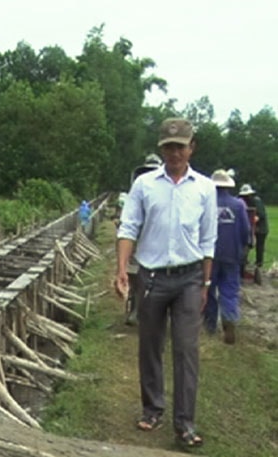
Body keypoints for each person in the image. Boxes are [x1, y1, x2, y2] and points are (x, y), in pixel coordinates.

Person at [115, 118, 217, 448]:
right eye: (168, 147)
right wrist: (120, 269)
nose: (174, 152)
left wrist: (205, 282)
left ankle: (185, 423)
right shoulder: (145, 185)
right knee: (150, 345)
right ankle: (152, 408)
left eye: (180, 146)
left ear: (192, 147)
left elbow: (208, 239)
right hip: (152, 277)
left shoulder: (204, 188)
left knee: (187, 350)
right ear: (161, 149)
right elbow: (128, 228)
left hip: (188, 278)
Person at [204, 170, 250, 344]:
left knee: (209, 290)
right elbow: (245, 230)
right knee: (229, 290)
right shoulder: (238, 205)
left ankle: (209, 325)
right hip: (232, 254)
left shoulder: (206, 204)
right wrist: (243, 247)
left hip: (210, 255)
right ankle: (229, 320)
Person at [123, 153, 163, 326]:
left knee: (142, 279)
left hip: (151, 242)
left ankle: (143, 311)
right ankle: (138, 310)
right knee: (139, 278)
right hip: (142, 242)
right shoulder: (140, 190)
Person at [238, 183, 268, 284]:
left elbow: (260, 215)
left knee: (259, 246)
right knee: (246, 244)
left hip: (261, 228)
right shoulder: (244, 201)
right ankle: (244, 263)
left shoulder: (256, 201)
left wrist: (251, 222)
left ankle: (258, 265)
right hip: (251, 227)